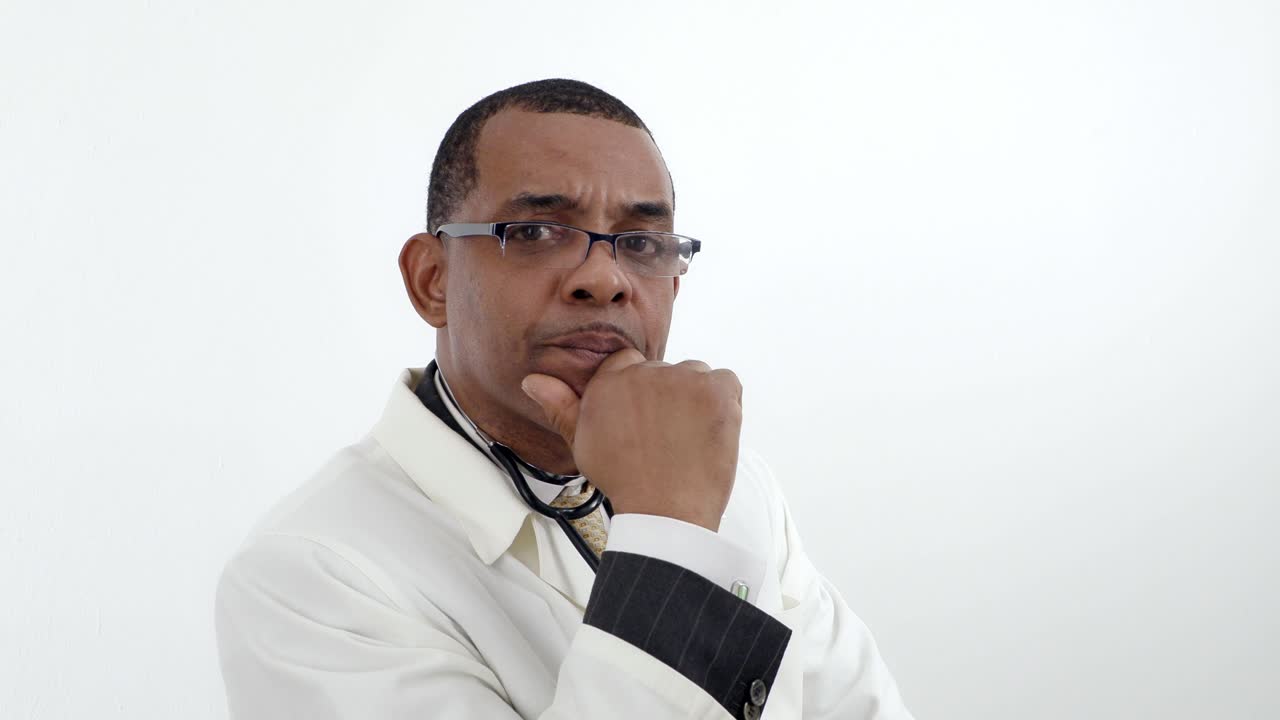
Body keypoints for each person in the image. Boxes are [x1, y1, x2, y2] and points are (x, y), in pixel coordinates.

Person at [214, 78, 914, 720]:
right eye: (537, 232)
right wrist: (670, 532)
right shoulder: (312, 577)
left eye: (640, 241)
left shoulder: (737, 487)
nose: (605, 279)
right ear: (431, 280)